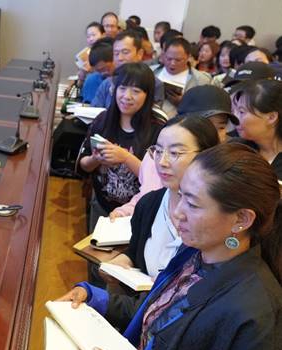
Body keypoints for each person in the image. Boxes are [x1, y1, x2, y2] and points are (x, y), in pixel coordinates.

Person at [58, 143, 282, 350]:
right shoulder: (194, 252)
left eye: (193, 204)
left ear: (241, 219)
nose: (178, 212)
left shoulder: (256, 311)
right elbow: (159, 314)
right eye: (180, 195)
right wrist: (94, 298)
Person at [106, 115, 220, 278]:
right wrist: (121, 263)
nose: (162, 162)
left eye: (174, 153)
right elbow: (134, 252)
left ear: (206, 155)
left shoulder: (217, 217)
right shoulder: (148, 203)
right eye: (158, 151)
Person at [110, 85, 238, 219]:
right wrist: (125, 212)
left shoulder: (230, 166)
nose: (215, 135)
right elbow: (146, 194)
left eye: (221, 127)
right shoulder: (156, 158)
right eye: (206, 125)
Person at [80, 63, 164, 230]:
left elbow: (158, 180)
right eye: (122, 88)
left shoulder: (158, 129)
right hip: (101, 204)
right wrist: (96, 159)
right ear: (114, 90)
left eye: (136, 91)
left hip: (139, 211)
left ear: (148, 95)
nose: (127, 96)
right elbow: (84, 165)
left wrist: (125, 157)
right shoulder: (103, 120)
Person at [91, 30, 164, 109]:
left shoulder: (154, 84)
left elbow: (154, 114)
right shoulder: (107, 83)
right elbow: (94, 110)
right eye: (116, 53)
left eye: (125, 52)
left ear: (139, 54)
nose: (120, 58)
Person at [231, 79, 282, 181]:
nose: (234, 118)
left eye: (241, 112)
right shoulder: (235, 149)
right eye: (234, 111)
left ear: (271, 117)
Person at [153, 37, 212, 117]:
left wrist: (185, 104)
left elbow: (206, 110)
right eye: (169, 59)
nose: (172, 63)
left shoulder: (201, 80)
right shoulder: (151, 71)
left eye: (178, 60)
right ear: (163, 55)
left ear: (188, 57)